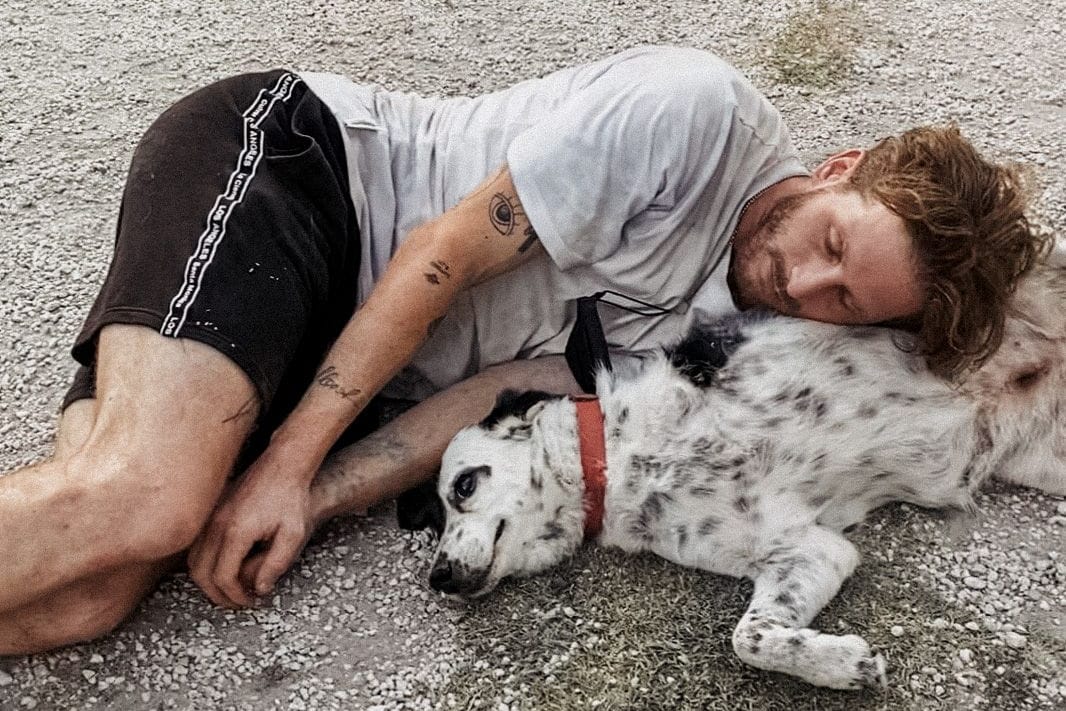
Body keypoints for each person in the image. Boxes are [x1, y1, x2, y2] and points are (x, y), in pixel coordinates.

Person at [0, 46, 1046, 655]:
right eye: (829, 244)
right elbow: (442, 253)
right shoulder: (691, 115)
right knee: (145, 500)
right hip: (302, 179)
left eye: (845, 305)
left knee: (90, 593)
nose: (801, 286)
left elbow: (503, 390)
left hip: (325, 336)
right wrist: (279, 462)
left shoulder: (718, 342)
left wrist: (315, 497)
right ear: (840, 166)